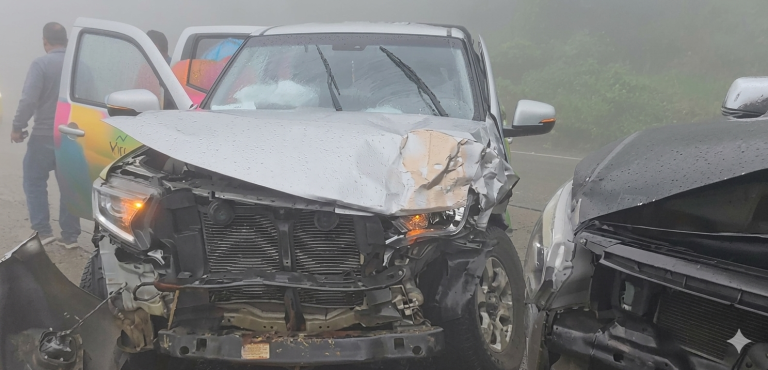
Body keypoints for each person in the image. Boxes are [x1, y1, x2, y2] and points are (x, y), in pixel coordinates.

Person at [11, 22, 80, 248]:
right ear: (67, 41)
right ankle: (70, 236)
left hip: (43, 135)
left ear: (45, 41)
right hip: (72, 135)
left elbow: (29, 99)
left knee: (33, 179)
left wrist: (18, 126)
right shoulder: (79, 66)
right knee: (69, 185)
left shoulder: (41, 64)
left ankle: (43, 231)